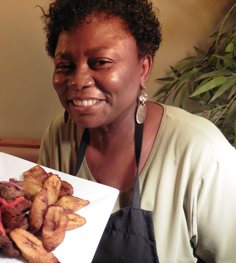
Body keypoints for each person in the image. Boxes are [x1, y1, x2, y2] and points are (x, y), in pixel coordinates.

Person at [37, 0, 236, 262]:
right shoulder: (59, 133)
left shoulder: (202, 153)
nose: (78, 80)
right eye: (65, 65)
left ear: (143, 69)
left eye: (100, 62)